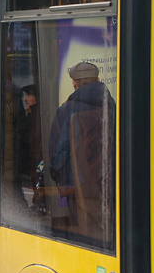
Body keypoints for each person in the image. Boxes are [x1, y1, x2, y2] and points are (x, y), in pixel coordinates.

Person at [48, 61, 115, 236]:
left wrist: (58, 177)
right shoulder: (112, 106)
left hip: (77, 185)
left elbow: (59, 152)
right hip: (110, 182)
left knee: (84, 234)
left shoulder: (67, 110)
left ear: (74, 83)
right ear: (98, 80)